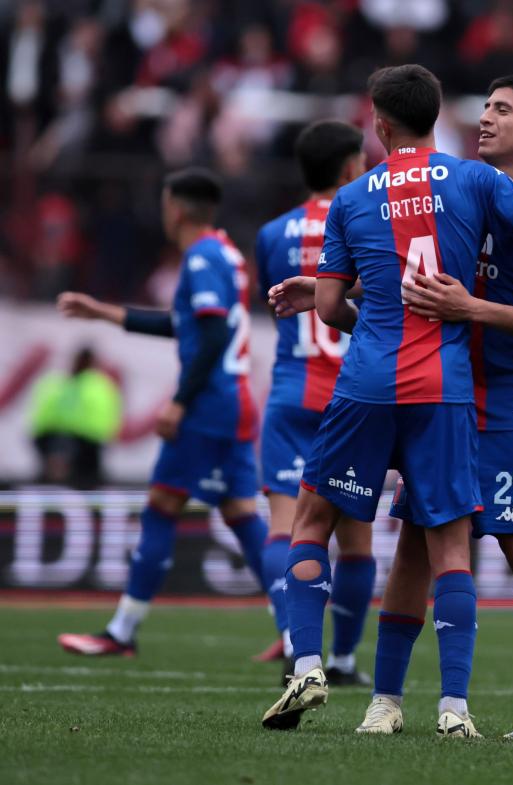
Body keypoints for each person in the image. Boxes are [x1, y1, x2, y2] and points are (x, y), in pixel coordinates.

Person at [258, 64, 513, 737]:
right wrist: (342, 285)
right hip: (448, 391)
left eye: (502, 109)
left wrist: (468, 304)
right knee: (417, 541)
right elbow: (405, 269)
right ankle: (387, 700)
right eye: (483, 106)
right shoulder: (476, 188)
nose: (485, 118)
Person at [55, 168, 269, 656]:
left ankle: (123, 631)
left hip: (208, 405)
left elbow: (211, 336)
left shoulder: (200, 258)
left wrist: (179, 401)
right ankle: (293, 629)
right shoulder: (225, 253)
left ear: (174, 206)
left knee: (160, 507)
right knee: (240, 514)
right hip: (232, 401)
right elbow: (190, 326)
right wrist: (105, 312)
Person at [252, 120, 375, 686]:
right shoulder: (366, 217)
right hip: (350, 398)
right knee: (354, 537)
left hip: (289, 396)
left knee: (286, 528)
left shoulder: (273, 233)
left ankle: (291, 640)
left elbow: (273, 301)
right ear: (351, 165)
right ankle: (345, 659)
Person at [27, 346, 122, 488]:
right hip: (67, 438)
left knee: (83, 476)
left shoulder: (61, 382)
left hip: (84, 440)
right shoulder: (100, 386)